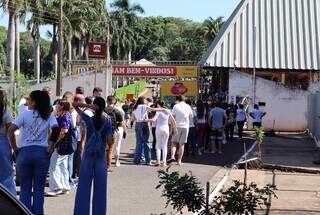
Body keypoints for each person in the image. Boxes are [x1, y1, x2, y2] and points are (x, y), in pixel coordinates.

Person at [7, 90, 59, 215]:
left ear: (35, 102)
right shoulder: (48, 115)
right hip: (42, 153)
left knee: (25, 188)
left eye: (29, 99)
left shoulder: (25, 115)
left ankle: (25, 213)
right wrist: (51, 146)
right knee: (39, 189)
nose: (27, 102)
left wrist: (15, 148)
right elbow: (56, 130)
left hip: (24, 152)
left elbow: (10, 130)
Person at [73, 97, 112, 215]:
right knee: (100, 188)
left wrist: (89, 106)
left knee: (83, 186)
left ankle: (81, 212)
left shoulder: (88, 119)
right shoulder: (107, 122)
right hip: (100, 156)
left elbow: (74, 105)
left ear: (95, 107)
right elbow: (109, 141)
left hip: (88, 156)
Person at [47, 99, 72, 196]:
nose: (55, 106)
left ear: (61, 106)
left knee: (54, 165)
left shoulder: (65, 116)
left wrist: (54, 143)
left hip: (61, 144)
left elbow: (63, 131)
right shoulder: (62, 115)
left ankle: (56, 188)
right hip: (64, 145)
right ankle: (65, 186)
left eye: (57, 104)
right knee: (62, 165)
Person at [131, 96, 162, 165]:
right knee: (146, 142)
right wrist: (162, 109)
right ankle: (148, 160)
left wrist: (138, 117)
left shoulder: (135, 108)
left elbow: (132, 119)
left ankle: (137, 160)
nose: (146, 101)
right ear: (142, 101)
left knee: (139, 143)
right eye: (145, 100)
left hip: (137, 124)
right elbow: (152, 109)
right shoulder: (144, 106)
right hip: (144, 124)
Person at [148, 100, 176, 167]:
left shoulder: (158, 112)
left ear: (158, 105)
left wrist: (146, 120)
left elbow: (154, 120)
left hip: (159, 128)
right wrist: (174, 128)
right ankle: (164, 162)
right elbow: (173, 121)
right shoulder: (168, 111)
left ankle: (158, 161)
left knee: (158, 145)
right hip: (166, 128)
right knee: (164, 146)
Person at [168, 96, 193, 165]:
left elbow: (173, 117)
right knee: (182, 144)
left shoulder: (176, 106)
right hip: (185, 127)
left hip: (177, 126)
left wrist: (172, 128)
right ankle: (179, 161)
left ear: (177, 100)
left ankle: (172, 156)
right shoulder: (188, 106)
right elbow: (191, 116)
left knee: (174, 142)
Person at [0, 88, 16, 195]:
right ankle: (10, 200)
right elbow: (10, 129)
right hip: (2, 142)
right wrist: (14, 147)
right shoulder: (5, 110)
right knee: (7, 175)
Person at [105, 96, 127, 169]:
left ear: (107, 101)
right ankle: (108, 167)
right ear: (114, 102)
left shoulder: (103, 110)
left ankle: (102, 165)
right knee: (110, 150)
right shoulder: (117, 111)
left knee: (104, 149)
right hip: (113, 131)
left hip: (103, 132)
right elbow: (121, 123)